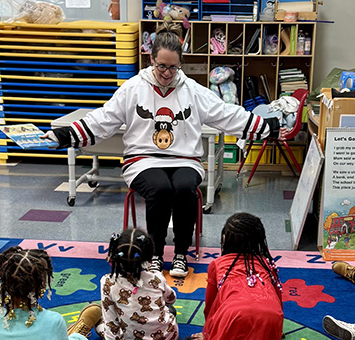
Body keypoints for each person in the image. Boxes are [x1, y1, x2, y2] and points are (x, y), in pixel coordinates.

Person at [44, 30, 280, 278]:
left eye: (173, 68)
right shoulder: (133, 87)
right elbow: (104, 119)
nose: (167, 74)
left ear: (180, 64)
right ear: (151, 60)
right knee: (160, 189)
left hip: (185, 159)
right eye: (161, 66)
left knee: (185, 187)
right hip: (142, 160)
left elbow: (226, 113)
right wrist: (63, 135)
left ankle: (180, 253)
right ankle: (155, 254)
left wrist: (268, 126)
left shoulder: (191, 89)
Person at [191, 212, 283, 340]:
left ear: (224, 239)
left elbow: (211, 305)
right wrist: (276, 329)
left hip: (234, 316)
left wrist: (208, 334)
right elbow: (277, 297)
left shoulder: (217, 264)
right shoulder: (268, 264)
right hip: (271, 317)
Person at [85, 229, 178, 340]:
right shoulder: (156, 276)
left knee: (102, 326)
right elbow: (171, 299)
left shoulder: (108, 283)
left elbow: (112, 324)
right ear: (148, 257)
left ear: (113, 257)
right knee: (170, 309)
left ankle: (96, 324)